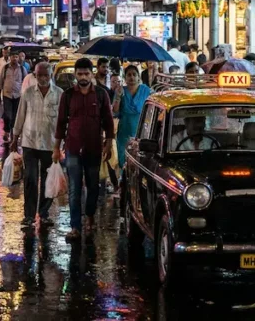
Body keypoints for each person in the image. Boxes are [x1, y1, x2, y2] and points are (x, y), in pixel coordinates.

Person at [54, 57, 115, 240]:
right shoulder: (68, 96)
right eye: (79, 73)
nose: (83, 77)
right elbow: (61, 123)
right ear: (75, 74)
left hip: (94, 148)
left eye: (86, 73)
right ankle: (75, 227)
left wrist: (109, 144)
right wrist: (56, 148)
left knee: (93, 187)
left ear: (92, 74)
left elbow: (108, 121)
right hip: (72, 148)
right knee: (74, 189)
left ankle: (89, 216)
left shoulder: (101, 95)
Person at [11, 62, 61, 229]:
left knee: (48, 180)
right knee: (30, 178)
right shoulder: (28, 93)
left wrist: (62, 144)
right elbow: (20, 115)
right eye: (40, 75)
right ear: (35, 75)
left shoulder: (59, 95)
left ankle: (44, 213)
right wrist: (15, 137)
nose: (43, 78)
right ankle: (29, 215)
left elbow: (63, 122)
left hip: (50, 143)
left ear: (51, 75)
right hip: (29, 142)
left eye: (46, 75)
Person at [112, 65, 151, 182]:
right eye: (129, 75)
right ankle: (125, 186)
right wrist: (118, 96)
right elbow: (115, 111)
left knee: (141, 162)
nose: (132, 77)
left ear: (138, 77)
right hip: (125, 131)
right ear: (125, 77)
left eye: (134, 74)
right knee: (124, 161)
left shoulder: (146, 90)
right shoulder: (120, 90)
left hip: (142, 130)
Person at [0, 52, 25, 142]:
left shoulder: (22, 69)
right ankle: (6, 130)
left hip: (18, 96)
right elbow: (0, 82)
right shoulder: (5, 68)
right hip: (7, 95)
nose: (15, 58)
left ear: (18, 58)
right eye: (13, 56)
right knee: (7, 116)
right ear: (10, 57)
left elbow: (25, 83)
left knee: (15, 117)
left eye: (16, 57)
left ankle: (12, 136)